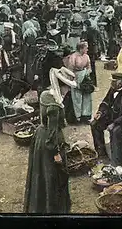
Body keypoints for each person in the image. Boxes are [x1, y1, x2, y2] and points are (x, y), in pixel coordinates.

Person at [24, 67, 77, 214]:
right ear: (62, 86)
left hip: (40, 136)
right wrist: (56, 153)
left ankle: (38, 203)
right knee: (52, 176)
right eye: (67, 87)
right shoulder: (54, 105)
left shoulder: (46, 94)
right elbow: (53, 130)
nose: (68, 91)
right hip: (49, 141)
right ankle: (51, 208)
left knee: (40, 174)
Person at [90, 72, 122, 167]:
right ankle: (102, 154)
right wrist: (100, 112)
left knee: (115, 131)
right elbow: (105, 102)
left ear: (120, 82)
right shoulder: (113, 89)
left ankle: (117, 162)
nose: (111, 83)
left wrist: (114, 123)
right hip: (113, 118)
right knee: (95, 124)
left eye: (113, 81)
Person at [67, 41, 93, 123]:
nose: (87, 50)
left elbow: (89, 67)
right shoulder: (73, 56)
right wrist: (72, 80)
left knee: (86, 97)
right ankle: (77, 117)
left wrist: (86, 73)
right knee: (77, 97)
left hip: (84, 77)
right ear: (81, 48)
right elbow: (70, 69)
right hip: (76, 77)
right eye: (86, 48)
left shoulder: (86, 56)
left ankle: (85, 116)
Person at [81, 20, 102, 86]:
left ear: (85, 25)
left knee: (85, 66)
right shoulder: (95, 31)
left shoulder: (85, 32)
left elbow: (83, 41)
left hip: (87, 51)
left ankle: (87, 82)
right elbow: (99, 40)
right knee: (92, 66)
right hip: (94, 50)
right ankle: (94, 83)